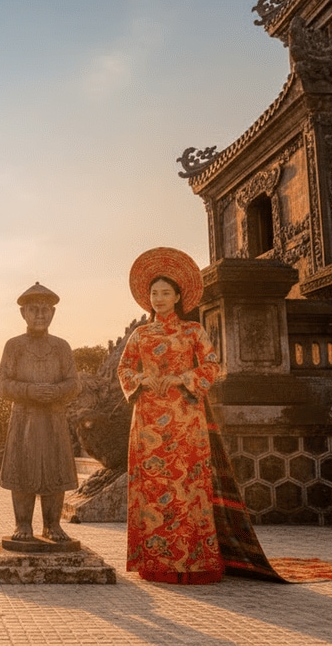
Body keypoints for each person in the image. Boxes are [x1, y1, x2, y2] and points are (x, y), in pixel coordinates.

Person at [117, 247, 224, 583]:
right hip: (147, 415)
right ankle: (155, 562)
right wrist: (142, 378)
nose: (159, 298)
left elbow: (211, 364)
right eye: (154, 293)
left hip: (185, 416)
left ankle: (192, 561)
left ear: (179, 296)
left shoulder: (193, 331)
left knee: (187, 484)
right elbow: (124, 369)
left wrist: (181, 377)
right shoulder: (140, 334)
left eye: (165, 293)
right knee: (151, 485)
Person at [0, 282, 81, 542]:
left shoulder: (61, 347)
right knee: (23, 470)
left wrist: (56, 392)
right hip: (24, 419)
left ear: (53, 313)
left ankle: (52, 525)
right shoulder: (14, 346)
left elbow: (74, 383)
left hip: (54, 418)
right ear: (24, 314)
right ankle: (22, 524)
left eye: (45, 310)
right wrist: (29, 391)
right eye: (33, 310)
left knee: (55, 470)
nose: (40, 315)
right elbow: (3, 385)